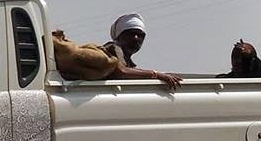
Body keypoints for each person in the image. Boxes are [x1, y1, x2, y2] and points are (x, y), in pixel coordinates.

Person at [52, 12, 181, 90]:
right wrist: (157, 75)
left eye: (140, 35)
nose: (136, 38)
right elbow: (121, 72)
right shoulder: (114, 48)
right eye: (131, 34)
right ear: (119, 36)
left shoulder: (127, 61)